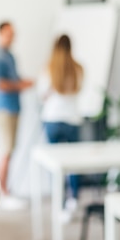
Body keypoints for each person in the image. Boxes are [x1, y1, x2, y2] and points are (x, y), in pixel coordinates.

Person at [37, 34, 84, 215]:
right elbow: (80, 89)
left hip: (53, 118)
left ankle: (60, 200)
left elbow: (42, 94)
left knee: (55, 163)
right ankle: (74, 200)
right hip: (73, 118)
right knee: (74, 162)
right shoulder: (78, 68)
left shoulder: (48, 68)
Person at [0, 21, 33, 207]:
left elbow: (14, 80)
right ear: (0, 34)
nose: (11, 37)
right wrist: (22, 85)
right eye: (8, 33)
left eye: (13, 33)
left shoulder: (11, 57)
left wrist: (27, 82)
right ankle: (3, 193)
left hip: (14, 108)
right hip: (4, 109)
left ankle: (6, 191)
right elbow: (1, 84)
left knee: (10, 150)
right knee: (6, 151)